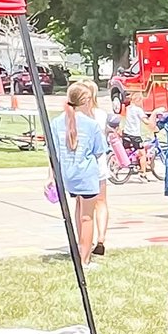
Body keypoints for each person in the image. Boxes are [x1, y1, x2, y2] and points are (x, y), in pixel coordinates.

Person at [49, 81, 108, 266]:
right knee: (87, 217)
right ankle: (85, 259)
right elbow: (99, 150)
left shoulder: (56, 122)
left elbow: (53, 152)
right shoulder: (91, 124)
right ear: (86, 100)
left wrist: (50, 176)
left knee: (78, 211)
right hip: (86, 175)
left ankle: (78, 249)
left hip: (68, 175)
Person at [86, 83, 111, 256]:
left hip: (85, 163)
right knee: (101, 201)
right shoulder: (102, 115)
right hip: (100, 162)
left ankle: (85, 240)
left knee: (83, 205)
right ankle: (101, 238)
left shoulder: (78, 116)